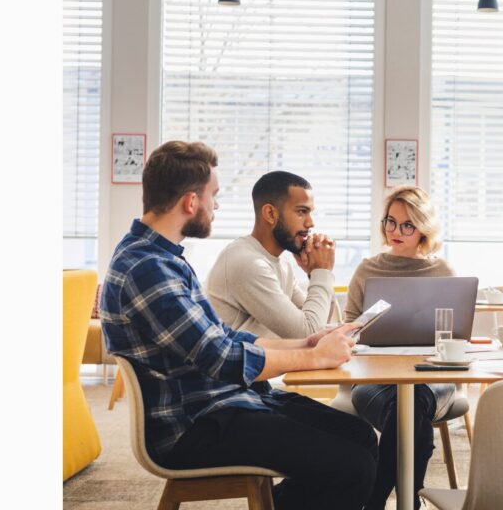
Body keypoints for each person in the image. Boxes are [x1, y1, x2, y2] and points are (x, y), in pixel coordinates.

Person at [100, 141, 378, 510]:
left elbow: (224, 336)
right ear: (190, 202)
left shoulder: (163, 259)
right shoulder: (147, 268)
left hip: (220, 402)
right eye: (213, 196)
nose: (216, 205)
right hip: (194, 424)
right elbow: (222, 358)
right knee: (353, 465)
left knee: (359, 435)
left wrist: (307, 344)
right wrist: (314, 358)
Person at [344, 185, 456, 510]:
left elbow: (455, 334)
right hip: (374, 381)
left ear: (424, 228)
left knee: (416, 400)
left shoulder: (442, 272)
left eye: (407, 225)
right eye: (390, 222)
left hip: (432, 379)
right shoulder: (367, 270)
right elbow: (348, 329)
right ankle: (412, 501)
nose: (396, 231)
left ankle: (374, 501)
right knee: (410, 414)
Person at [206, 170, 341, 339]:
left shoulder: (280, 263)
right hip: (242, 365)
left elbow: (321, 323)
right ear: (270, 214)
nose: (310, 223)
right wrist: (321, 272)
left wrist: (314, 274)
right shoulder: (247, 263)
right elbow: (308, 333)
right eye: (301, 212)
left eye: (310, 212)